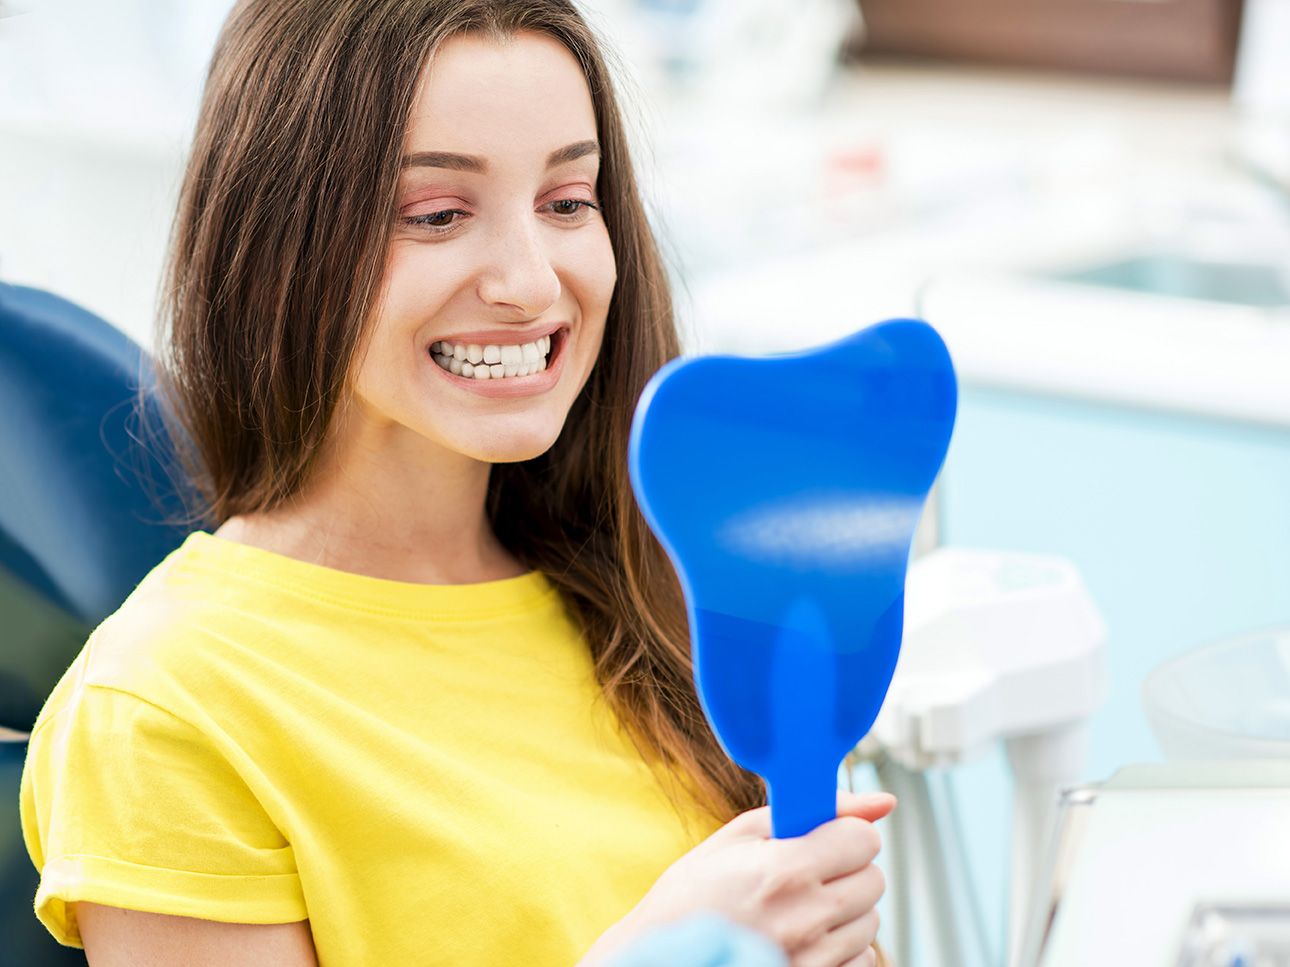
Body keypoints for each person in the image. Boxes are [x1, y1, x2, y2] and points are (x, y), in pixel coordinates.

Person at [19, 2, 894, 964]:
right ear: (273, 253)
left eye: (568, 201)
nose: (529, 280)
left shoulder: (652, 584)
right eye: (437, 215)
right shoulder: (164, 710)